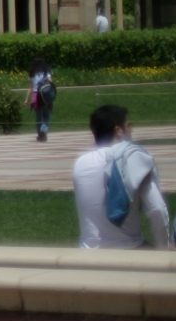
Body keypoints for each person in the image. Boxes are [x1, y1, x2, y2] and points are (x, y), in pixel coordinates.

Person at [73, 103, 170, 249]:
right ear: (119, 130)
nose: (131, 130)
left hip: (88, 249)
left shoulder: (80, 163)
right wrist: (163, 247)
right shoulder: (132, 157)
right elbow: (157, 209)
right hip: (128, 248)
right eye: (128, 126)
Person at [28, 63, 57, 142]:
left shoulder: (32, 73)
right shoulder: (46, 73)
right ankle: (43, 131)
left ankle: (40, 134)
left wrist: (27, 99)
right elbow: (51, 82)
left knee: (38, 117)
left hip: (35, 96)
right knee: (46, 116)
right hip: (45, 95)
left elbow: (30, 88)